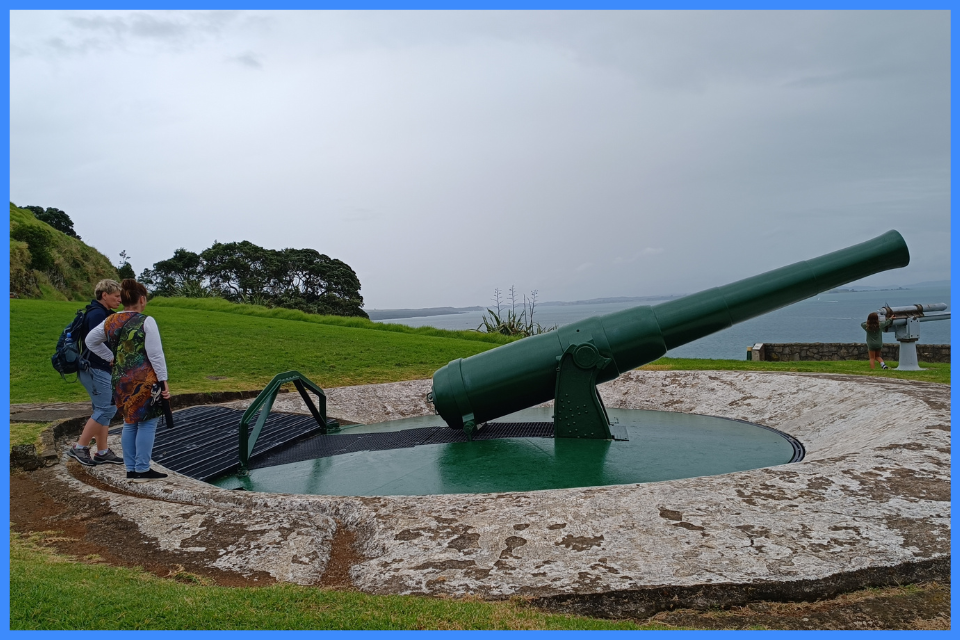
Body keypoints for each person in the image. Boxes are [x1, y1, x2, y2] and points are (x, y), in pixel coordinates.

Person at [86, 279, 171, 482]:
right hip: (144, 381)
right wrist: (164, 382)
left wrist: (110, 357)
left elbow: (90, 340)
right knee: (147, 423)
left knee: (129, 422)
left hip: (120, 380)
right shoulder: (146, 321)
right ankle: (142, 467)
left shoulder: (111, 320)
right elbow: (156, 355)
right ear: (142, 299)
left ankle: (131, 468)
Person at [66, 279, 124, 466]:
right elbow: (97, 342)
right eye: (116, 296)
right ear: (104, 295)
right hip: (95, 368)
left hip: (95, 368)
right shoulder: (98, 315)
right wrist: (112, 358)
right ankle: (80, 447)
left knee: (103, 409)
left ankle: (102, 451)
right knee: (107, 408)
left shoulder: (98, 313)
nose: (120, 300)